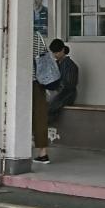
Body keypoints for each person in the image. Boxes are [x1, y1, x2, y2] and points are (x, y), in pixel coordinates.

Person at [31, 32, 60, 163]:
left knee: (16, 115)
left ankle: (15, 150)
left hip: (19, 81)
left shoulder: (14, 32)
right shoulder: (37, 36)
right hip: (39, 81)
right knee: (40, 116)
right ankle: (43, 152)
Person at [46, 40, 78, 123]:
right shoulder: (56, 64)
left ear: (63, 50)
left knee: (51, 105)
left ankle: (48, 124)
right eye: (53, 53)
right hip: (57, 92)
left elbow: (69, 86)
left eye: (56, 52)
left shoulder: (71, 66)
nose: (54, 55)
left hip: (67, 94)